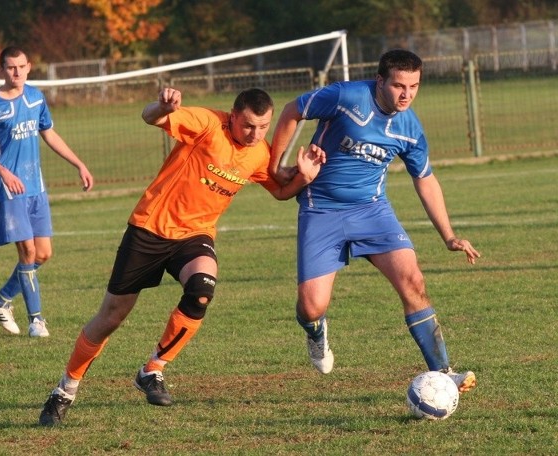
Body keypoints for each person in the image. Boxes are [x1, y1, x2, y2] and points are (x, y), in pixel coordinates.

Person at [38, 87, 325, 426]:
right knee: (111, 317)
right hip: (149, 229)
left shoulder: (258, 154)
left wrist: (304, 177)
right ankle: (65, 390)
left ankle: (153, 368)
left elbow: (278, 191)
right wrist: (161, 106)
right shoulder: (206, 123)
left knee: (202, 287)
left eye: (263, 127)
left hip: (195, 236)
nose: (256, 134)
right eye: (249, 126)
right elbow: (152, 118)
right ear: (232, 115)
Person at [268, 49, 480, 393]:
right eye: (399, 85)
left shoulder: (410, 128)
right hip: (320, 208)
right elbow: (295, 109)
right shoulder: (345, 97)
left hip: (372, 210)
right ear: (380, 80)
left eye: (414, 86)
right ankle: (316, 332)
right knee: (311, 307)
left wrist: (449, 236)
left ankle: (444, 373)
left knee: (414, 282)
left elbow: (424, 179)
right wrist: (276, 164)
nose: (407, 94)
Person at [0, 46, 94, 338]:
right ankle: (36, 320)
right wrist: (3, 172)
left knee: (44, 253)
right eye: (11, 67)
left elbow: (49, 133)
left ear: (29, 67)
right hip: (8, 190)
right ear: (1, 70)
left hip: (36, 187)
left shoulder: (36, 97)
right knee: (27, 252)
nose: (17, 72)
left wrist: (79, 164)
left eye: (21, 66)